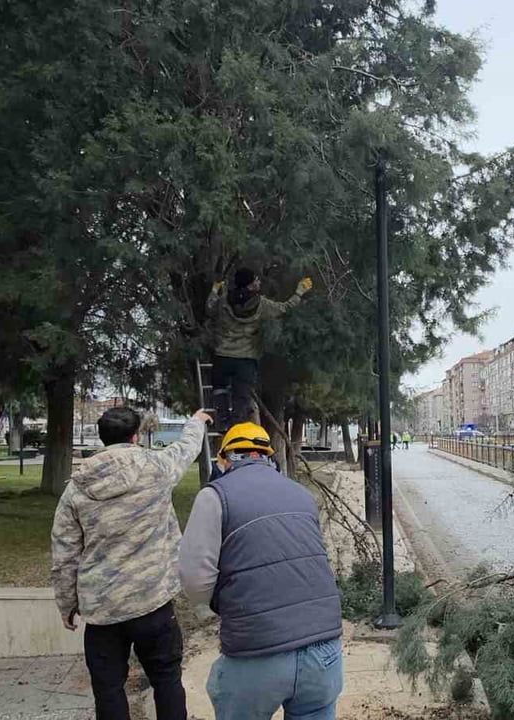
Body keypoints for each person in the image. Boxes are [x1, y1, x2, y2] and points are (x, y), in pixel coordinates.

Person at [50, 406, 212, 720]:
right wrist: (196, 421)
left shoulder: (76, 488)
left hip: (103, 611)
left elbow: (64, 552)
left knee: (108, 688)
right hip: (153, 602)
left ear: (102, 438)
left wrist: (67, 604)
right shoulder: (158, 467)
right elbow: (187, 448)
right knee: (167, 679)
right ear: (136, 436)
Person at [178, 422, 344, 720]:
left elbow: (194, 580)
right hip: (324, 649)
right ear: (269, 457)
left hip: (257, 651)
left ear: (223, 459)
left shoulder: (215, 496)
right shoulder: (302, 494)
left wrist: (218, 603)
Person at [209, 268, 313, 431]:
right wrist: (299, 292)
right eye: (256, 280)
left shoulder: (223, 301)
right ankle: (235, 428)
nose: (259, 282)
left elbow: (209, 308)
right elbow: (284, 308)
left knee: (219, 389)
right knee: (241, 396)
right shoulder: (261, 304)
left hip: (222, 356)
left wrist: (214, 290)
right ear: (250, 285)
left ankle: (222, 422)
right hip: (246, 359)